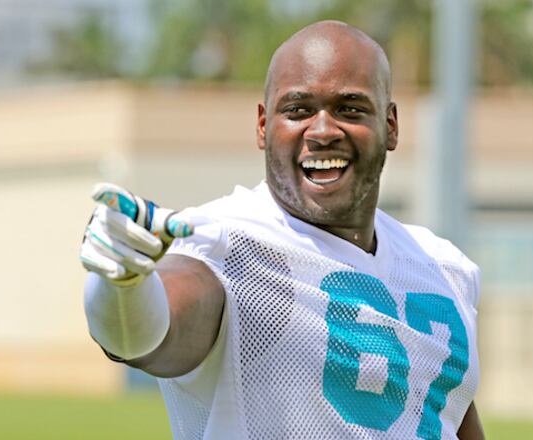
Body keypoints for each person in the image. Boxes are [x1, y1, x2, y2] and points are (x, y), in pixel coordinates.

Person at [79, 20, 484, 440]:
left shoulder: (445, 269)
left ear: (391, 124)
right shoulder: (227, 243)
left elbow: (450, 418)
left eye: (350, 109)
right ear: (262, 126)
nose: (323, 131)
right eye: (298, 110)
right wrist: (122, 288)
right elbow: (149, 335)